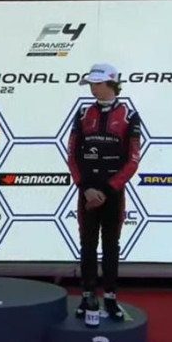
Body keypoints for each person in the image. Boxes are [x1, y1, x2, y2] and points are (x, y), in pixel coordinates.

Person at [67, 63, 142, 324]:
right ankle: (88, 295)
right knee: (87, 244)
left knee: (111, 245)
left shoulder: (129, 115)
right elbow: (72, 155)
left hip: (113, 194)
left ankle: (110, 297)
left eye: (97, 83)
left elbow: (133, 160)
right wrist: (85, 188)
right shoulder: (82, 113)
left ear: (111, 83)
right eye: (91, 83)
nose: (93, 88)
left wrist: (109, 189)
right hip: (87, 193)